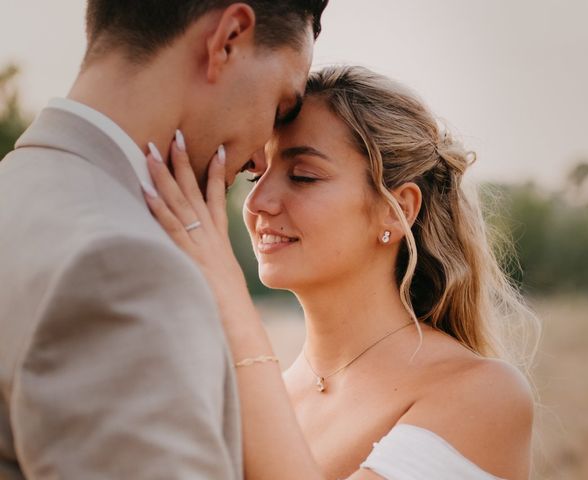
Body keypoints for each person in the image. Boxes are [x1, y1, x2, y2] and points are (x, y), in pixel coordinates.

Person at [145, 65, 539, 480]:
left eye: (302, 177)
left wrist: (230, 306)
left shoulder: (480, 394)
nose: (257, 202)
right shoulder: (254, 398)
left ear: (396, 209)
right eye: (255, 175)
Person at [0, 1, 327, 478]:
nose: (259, 160)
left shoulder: (17, 187)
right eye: (281, 104)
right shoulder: (121, 264)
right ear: (228, 39)